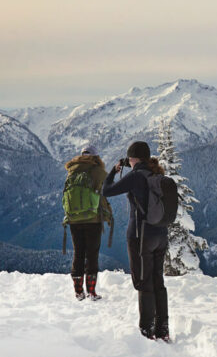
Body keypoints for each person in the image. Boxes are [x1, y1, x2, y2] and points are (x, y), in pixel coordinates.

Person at [102, 141, 170, 340]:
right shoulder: (157, 174)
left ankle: (147, 330)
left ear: (132, 158)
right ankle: (163, 328)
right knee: (158, 281)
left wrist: (113, 172)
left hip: (141, 237)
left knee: (143, 282)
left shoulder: (135, 176)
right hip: (161, 235)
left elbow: (107, 191)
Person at [63, 145, 113, 301]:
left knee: (78, 252)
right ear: (96, 157)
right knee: (91, 254)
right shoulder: (98, 171)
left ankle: (78, 292)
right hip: (93, 219)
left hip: (74, 219)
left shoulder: (72, 170)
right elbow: (106, 192)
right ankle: (91, 291)